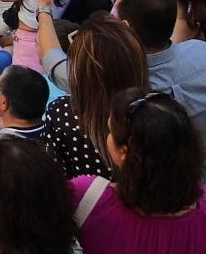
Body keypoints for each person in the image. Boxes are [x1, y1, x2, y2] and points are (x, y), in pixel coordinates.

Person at [72, 89, 206, 254]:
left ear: (125, 152)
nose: (107, 137)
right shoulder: (202, 205)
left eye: (110, 131)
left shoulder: (87, 195)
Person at [118, 0, 206, 175]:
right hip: (199, 188)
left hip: (145, 192)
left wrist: (44, 8)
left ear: (126, 27)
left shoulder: (125, 82)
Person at [37, 17, 149, 177]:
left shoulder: (63, 113)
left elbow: (51, 176)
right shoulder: (157, 111)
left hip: (83, 200)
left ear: (82, 70)